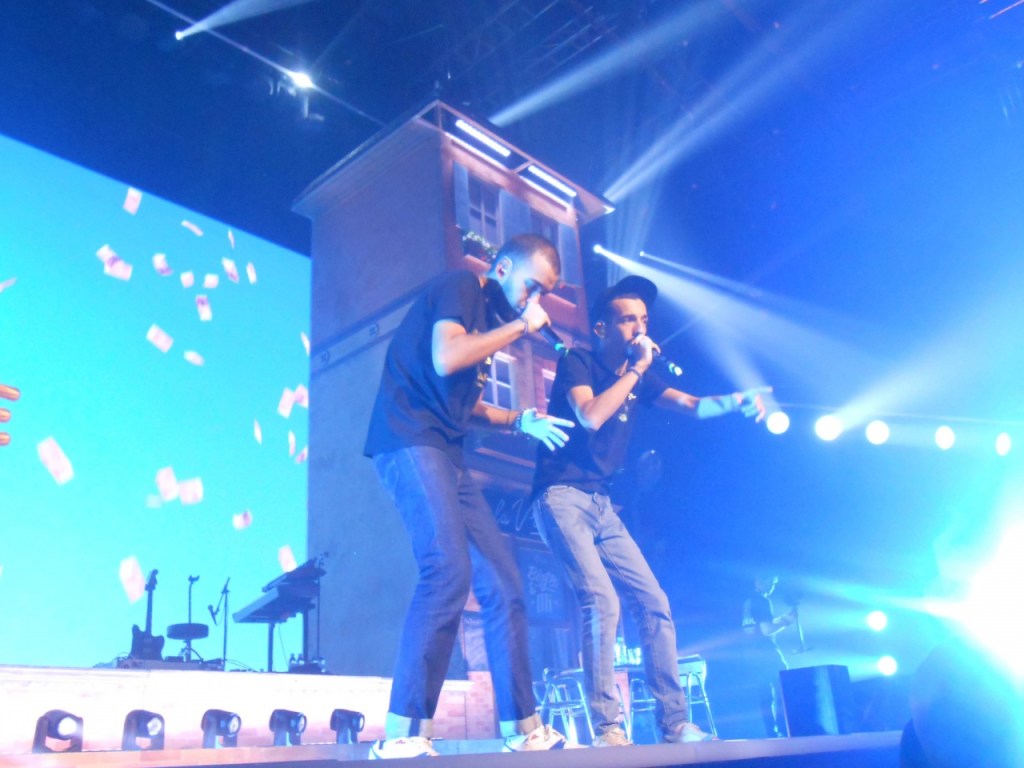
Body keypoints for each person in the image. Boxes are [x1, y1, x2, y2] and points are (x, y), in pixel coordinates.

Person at [530, 275, 768, 747]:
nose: (639, 328)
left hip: (601, 503)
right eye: (627, 320)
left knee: (654, 602)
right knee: (602, 601)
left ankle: (675, 724)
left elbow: (693, 405)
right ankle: (608, 729)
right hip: (560, 495)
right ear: (602, 327)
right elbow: (590, 416)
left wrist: (736, 401)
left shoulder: (639, 378)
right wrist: (636, 370)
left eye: (643, 319)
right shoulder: (579, 361)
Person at [363, 234, 576, 759]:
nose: (535, 302)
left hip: (447, 450)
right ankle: (403, 732)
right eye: (532, 288)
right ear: (502, 268)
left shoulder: (484, 324)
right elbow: (445, 357)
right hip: (409, 439)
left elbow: (466, 407)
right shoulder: (462, 287)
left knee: (504, 582)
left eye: (545, 294)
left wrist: (519, 420)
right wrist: (520, 327)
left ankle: (523, 729)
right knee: (447, 570)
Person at [741, 574, 796, 737]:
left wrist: (782, 618)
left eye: (773, 583)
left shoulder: (748, 601)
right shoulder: (762, 601)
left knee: (764, 695)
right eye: (770, 582)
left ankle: (771, 732)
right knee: (783, 686)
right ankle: (785, 729)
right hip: (766, 653)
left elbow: (759, 626)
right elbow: (766, 630)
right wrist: (787, 621)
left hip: (751, 654)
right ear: (759, 581)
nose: (772, 587)